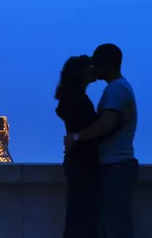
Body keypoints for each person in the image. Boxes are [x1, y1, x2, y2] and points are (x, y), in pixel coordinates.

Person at [65, 43, 138, 238]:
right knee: (113, 223)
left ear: (108, 65)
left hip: (115, 165)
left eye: (97, 63)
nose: (94, 68)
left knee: (115, 225)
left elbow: (107, 124)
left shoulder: (117, 89)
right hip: (116, 165)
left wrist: (78, 137)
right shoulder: (118, 88)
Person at [55, 55, 99, 238]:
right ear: (81, 72)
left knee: (77, 217)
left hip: (76, 162)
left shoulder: (71, 98)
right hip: (84, 164)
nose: (93, 68)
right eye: (90, 65)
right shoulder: (79, 100)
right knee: (83, 219)